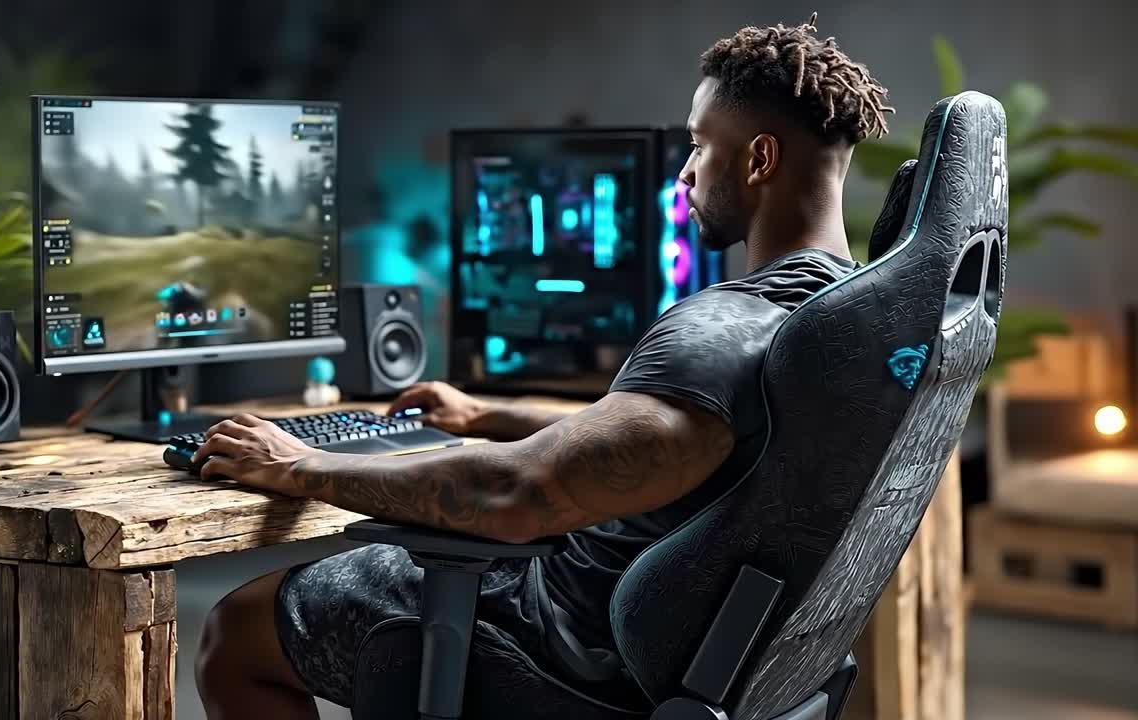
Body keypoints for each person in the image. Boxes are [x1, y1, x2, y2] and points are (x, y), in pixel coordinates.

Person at [194, 14, 894, 719]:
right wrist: (487, 416)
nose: (684, 171)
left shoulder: (723, 327)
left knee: (235, 632)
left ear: (760, 159)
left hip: (562, 645)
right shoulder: (846, 319)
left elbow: (517, 497)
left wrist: (295, 465)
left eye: (699, 146)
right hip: (711, 654)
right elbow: (676, 443)